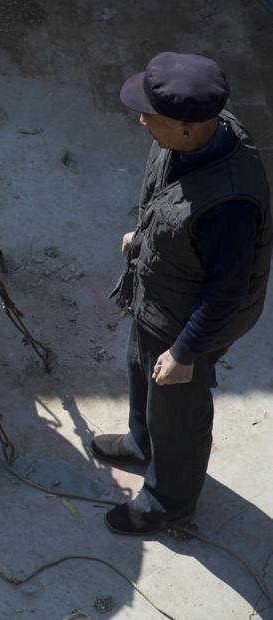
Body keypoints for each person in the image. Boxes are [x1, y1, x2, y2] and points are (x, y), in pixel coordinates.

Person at [95, 52, 272, 534]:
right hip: (160, 293)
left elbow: (226, 292)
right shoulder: (193, 137)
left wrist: (186, 352)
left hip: (191, 320)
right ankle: (141, 443)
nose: (140, 120)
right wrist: (144, 235)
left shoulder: (230, 204)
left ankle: (168, 503)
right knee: (139, 367)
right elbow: (167, 199)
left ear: (188, 127)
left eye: (151, 116)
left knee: (177, 410)